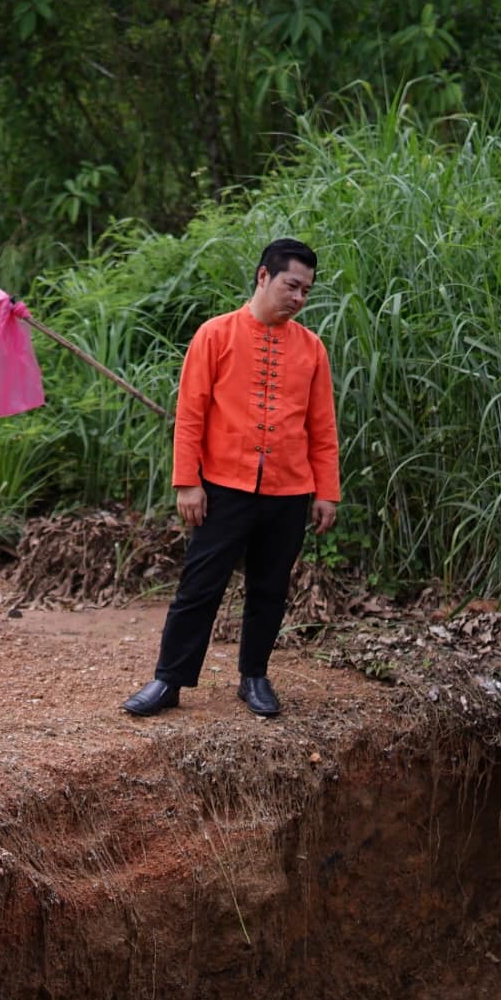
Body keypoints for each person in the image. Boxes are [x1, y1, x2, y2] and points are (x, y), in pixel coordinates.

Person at [123, 238, 340, 719]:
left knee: (270, 588)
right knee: (200, 586)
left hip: (289, 490)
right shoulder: (215, 335)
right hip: (222, 486)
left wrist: (327, 491)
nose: (299, 298)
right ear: (263, 276)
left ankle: (254, 677)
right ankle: (169, 681)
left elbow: (322, 427)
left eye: (307, 290)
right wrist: (187, 481)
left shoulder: (312, 349)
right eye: (292, 285)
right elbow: (191, 414)